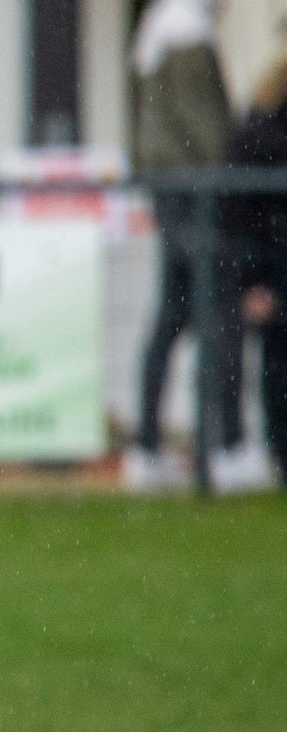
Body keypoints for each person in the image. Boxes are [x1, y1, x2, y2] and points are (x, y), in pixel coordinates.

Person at [128, 0, 263, 494]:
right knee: (220, 311)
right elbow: (202, 125)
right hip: (194, 193)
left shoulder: (161, 26)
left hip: (173, 190)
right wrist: (236, 181)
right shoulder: (185, 29)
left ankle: (147, 447)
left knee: (172, 316)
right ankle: (226, 448)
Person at [224, 58, 287, 490]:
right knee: (277, 365)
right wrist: (251, 281)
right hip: (273, 269)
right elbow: (239, 216)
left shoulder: (253, 133)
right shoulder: (257, 137)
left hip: (270, 267)